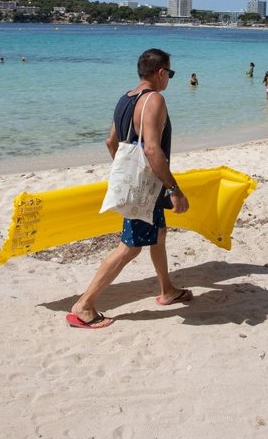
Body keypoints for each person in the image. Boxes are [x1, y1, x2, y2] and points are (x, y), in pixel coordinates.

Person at [67, 48, 191, 329]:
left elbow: (110, 142)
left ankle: (167, 290)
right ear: (160, 73)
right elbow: (151, 148)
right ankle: (84, 306)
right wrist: (174, 189)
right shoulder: (155, 99)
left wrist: (127, 174)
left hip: (144, 184)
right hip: (149, 187)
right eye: (169, 74)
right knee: (129, 247)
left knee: (159, 232)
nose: (169, 79)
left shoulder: (125, 99)